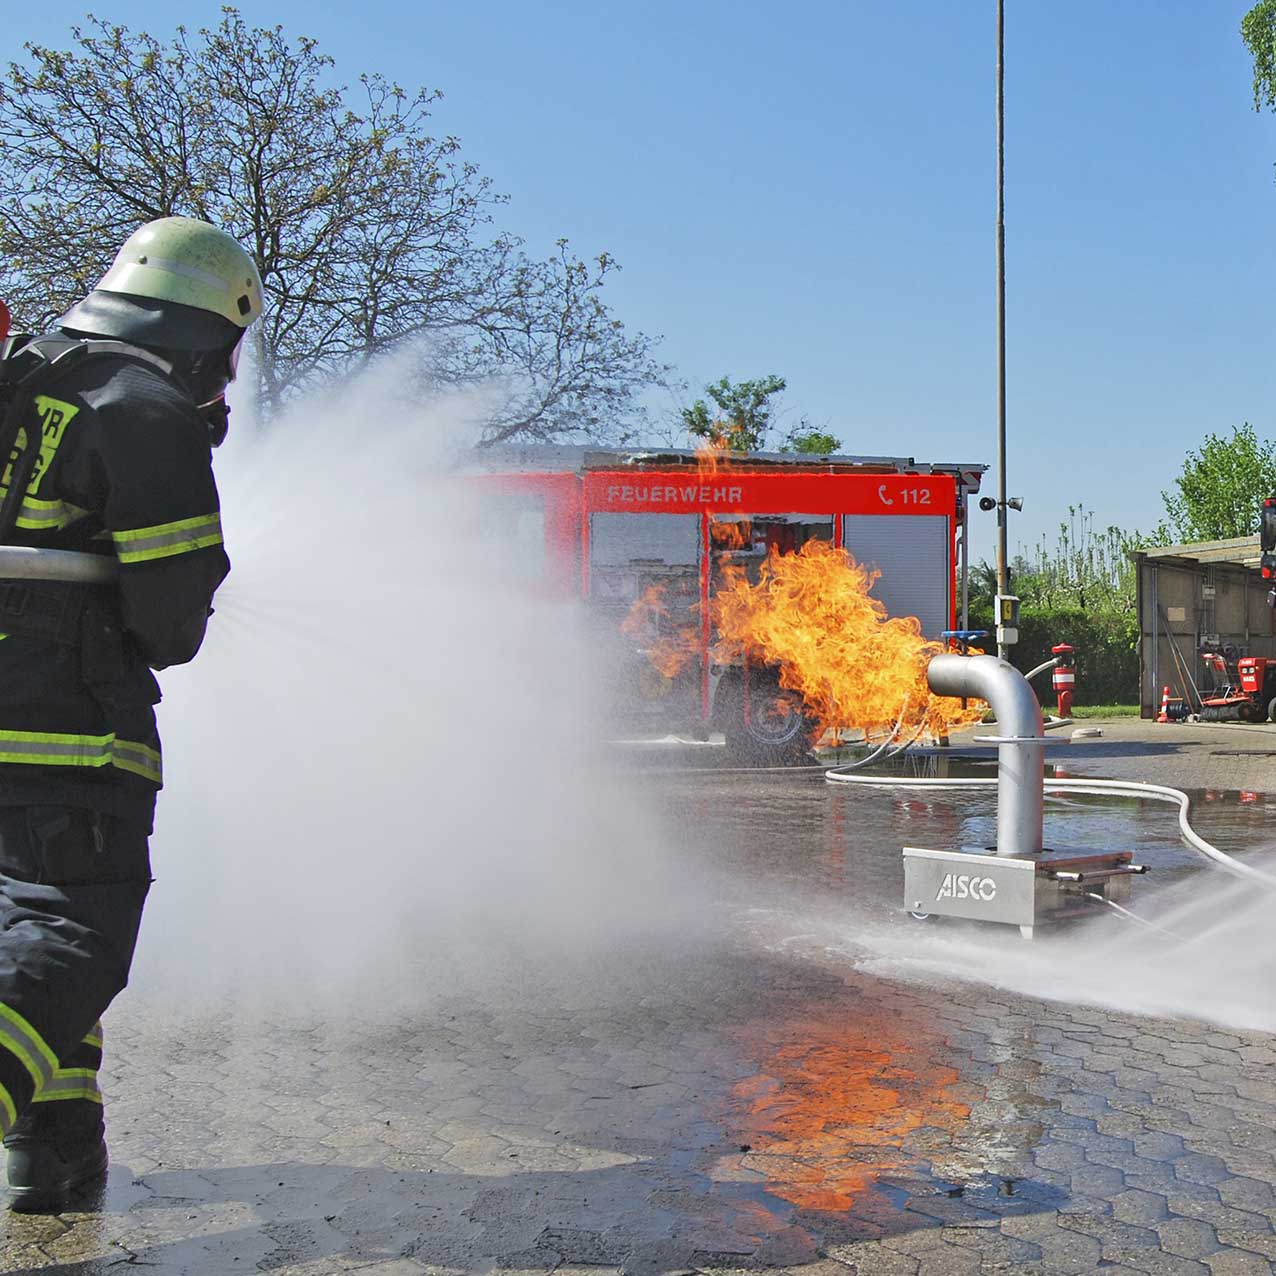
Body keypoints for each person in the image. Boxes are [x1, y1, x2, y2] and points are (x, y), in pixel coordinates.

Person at [0, 216, 262, 1210]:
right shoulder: (140, 404)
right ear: (199, 329)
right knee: (70, 933)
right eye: (223, 359)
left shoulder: (28, 375)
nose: (225, 384)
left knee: (20, 932)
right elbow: (170, 618)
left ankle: (56, 1157)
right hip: (58, 728)